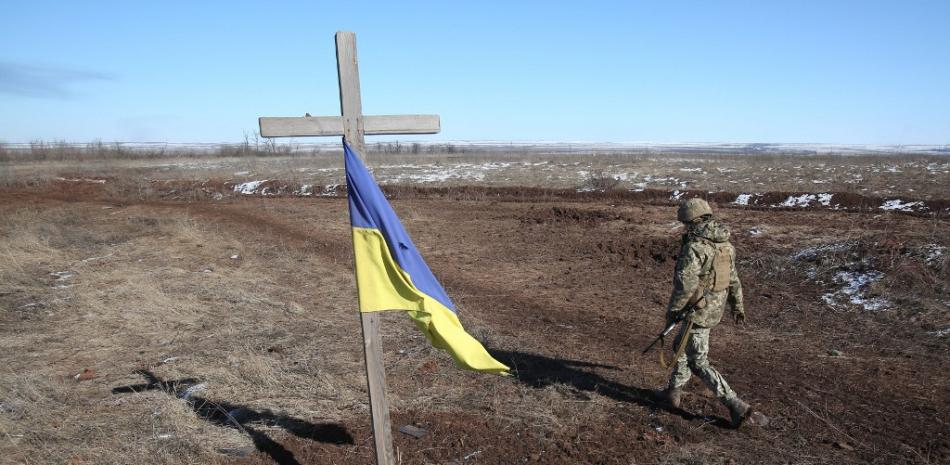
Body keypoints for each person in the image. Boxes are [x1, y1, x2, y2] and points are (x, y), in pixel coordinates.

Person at [659, 198, 753, 428]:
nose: (684, 227)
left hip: (696, 312)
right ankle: (673, 392)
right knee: (680, 346)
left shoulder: (695, 247)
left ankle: (736, 405)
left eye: (685, 223)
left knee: (699, 362)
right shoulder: (725, 245)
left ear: (691, 221)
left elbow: (684, 285)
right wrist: (737, 306)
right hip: (713, 309)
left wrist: (672, 312)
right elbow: (733, 280)